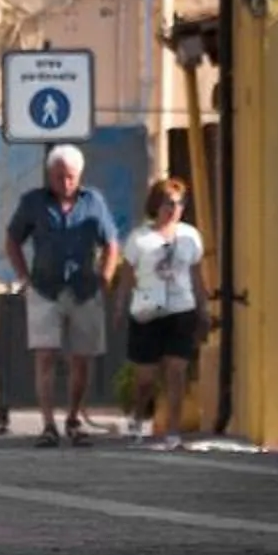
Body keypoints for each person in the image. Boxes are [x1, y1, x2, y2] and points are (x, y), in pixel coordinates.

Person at [3, 143, 119, 448]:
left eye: (70, 177)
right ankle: (48, 425)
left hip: (83, 288)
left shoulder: (93, 201)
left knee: (82, 358)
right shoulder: (33, 203)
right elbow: (12, 240)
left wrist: (105, 277)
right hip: (45, 288)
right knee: (45, 357)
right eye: (58, 177)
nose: (65, 183)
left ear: (79, 175)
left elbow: (111, 243)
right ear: (49, 175)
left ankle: (73, 419)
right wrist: (24, 277)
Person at [119, 179, 205, 449]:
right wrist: (120, 305)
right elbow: (127, 275)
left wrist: (203, 308)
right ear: (156, 205)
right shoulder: (139, 239)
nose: (174, 208)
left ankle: (173, 431)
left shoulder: (190, 236)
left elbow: (196, 274)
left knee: (176, 371)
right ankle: (136, 419)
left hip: (181, 310)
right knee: (146, 377)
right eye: (169, 202)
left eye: (179, 203)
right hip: (147, 312)